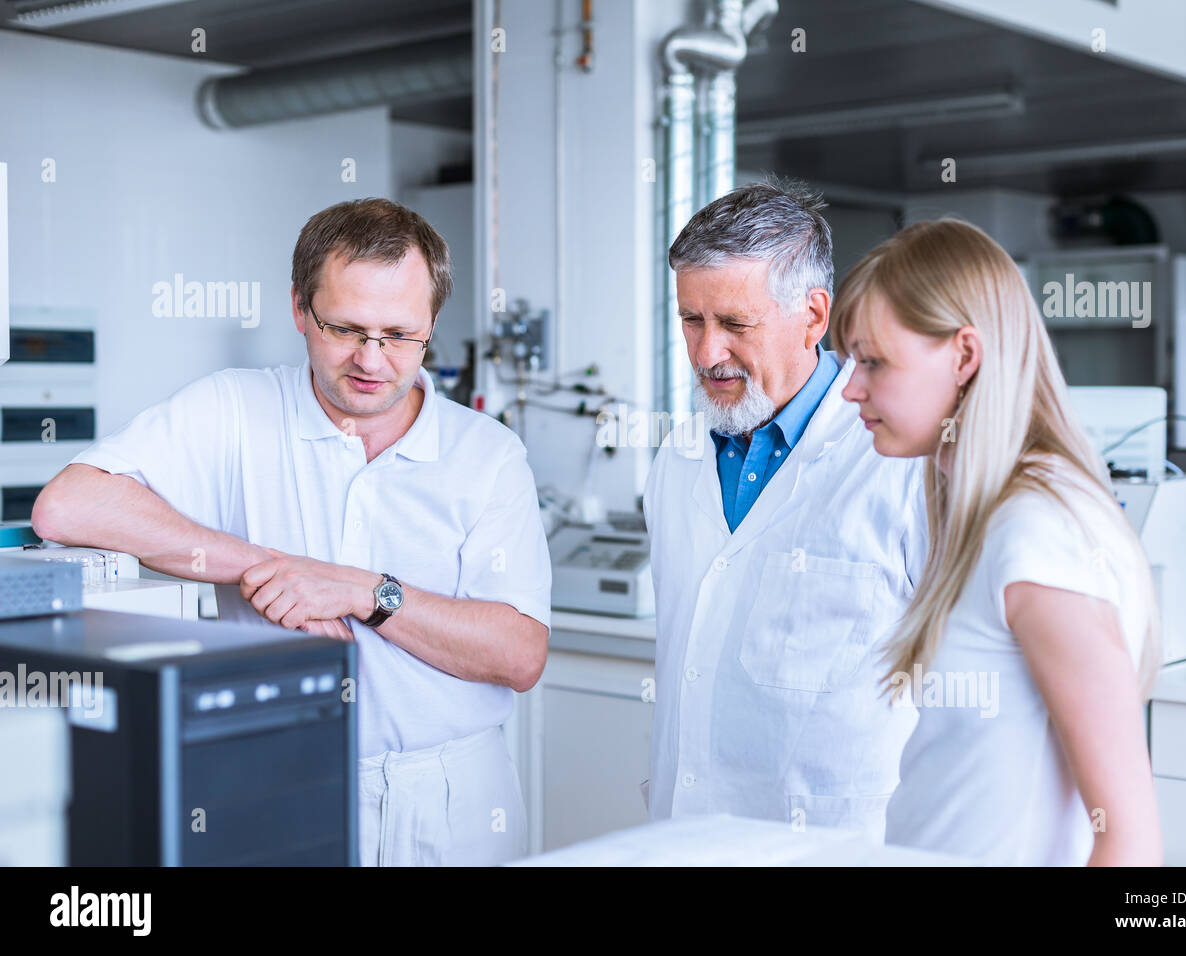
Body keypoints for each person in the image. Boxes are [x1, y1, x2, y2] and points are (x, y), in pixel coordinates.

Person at [31, 198, 551, 866]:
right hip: (279, 776)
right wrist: (265, 565)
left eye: (399, 335)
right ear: (300, 309)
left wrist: (366, 592)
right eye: (346, 328)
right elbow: (65, 507)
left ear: (432, 325)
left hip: (452, 801)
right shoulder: (233, 410)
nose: (372, 359)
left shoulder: (487, 454)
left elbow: (519, 655)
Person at [829, 217, 1163, 866]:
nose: (850, 389)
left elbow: (1128, 840)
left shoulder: (1036, 533)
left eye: (873, 361)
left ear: (964, 355)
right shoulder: (973, 511)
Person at [642, 178, 928, 838]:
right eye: (692, 320)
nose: (708, 353)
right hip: (683, 838)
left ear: (814, 316)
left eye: (736, 324)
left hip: (841, 845)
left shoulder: (900, 465)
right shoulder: (677, 459)